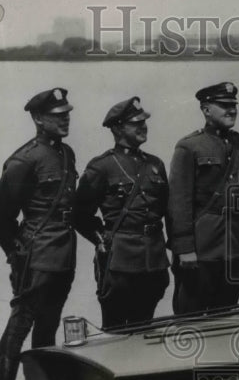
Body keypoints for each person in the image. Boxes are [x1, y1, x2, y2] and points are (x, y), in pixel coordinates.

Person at [0, 87, 78, 380]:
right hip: (36, 255)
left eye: (67, 113)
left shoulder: (66, 153)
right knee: (18, 327)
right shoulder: (24, 160)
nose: (65, 119)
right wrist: (17, 253)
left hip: (63, 255)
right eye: (57, 116)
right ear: (38, 119)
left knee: (48, 329)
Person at [73, 96, 170, 329]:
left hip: (154, 260)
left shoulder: (155, 164)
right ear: (117, 128)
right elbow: (79, 214)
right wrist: (101, 240)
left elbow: (166, 208)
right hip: (121, 262)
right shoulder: (102, 166)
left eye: (143, 121)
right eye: (135, 123)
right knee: (115, 330)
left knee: (145, 327)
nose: (143, 126)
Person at [168, 81, 239, 314]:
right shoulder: (189, 147)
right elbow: (179, 203)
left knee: (226, 317)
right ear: (206, 109)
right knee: (191, 318)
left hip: (234, 246)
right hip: (201, 249)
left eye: (233, 105)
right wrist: (184, 248)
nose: (231, 110)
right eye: (224, 105)